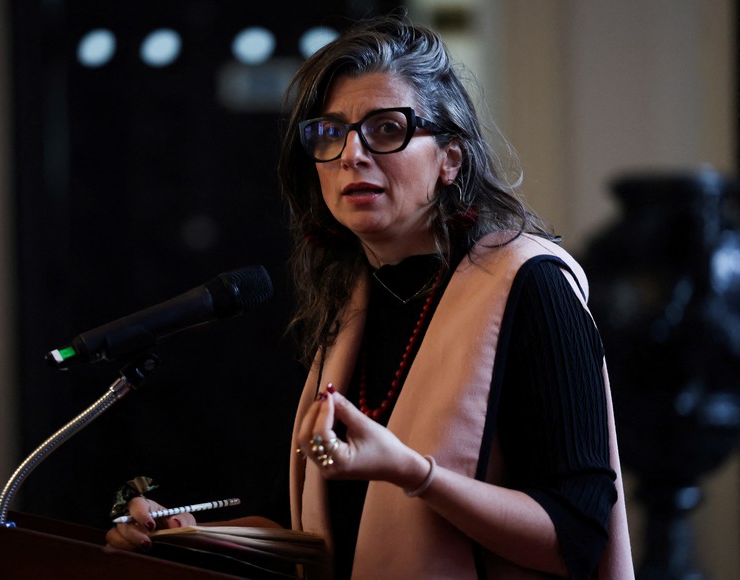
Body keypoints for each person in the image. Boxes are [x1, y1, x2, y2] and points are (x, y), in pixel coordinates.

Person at [106, 15, 634, 579]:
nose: (351, 154)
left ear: (450, 159)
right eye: (330, 133)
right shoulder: (350, 300)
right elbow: (322, 536)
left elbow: (576, 538)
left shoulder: (530, 283)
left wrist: (414, 473)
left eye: (386, 129)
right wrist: (191, 539)